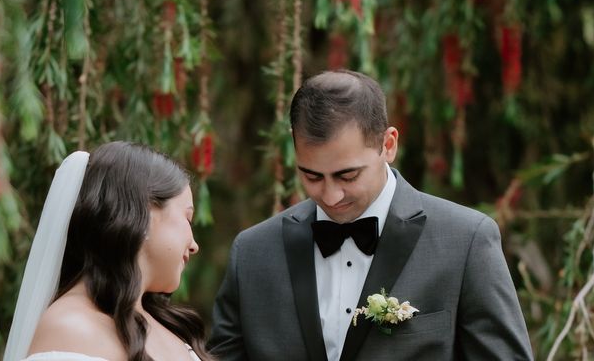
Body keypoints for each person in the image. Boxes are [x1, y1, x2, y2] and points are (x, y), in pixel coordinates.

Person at [209, 69, 533, 360]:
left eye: (347, 176)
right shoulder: (252, 253)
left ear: (388, 145)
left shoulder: (466, 242)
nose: (330, 196)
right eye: (312, 176)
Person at [4, 141, 213, 361]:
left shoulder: (167, 326)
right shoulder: (71, 329)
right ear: (145, 213)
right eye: (187, 218)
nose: (194, 245)